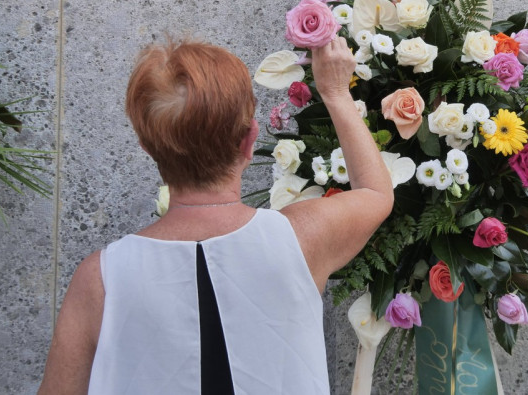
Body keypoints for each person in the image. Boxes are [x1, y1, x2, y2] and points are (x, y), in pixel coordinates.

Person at [38, 36, 394, 394]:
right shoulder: (301, 239)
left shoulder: (99, 279)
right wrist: (335, 92)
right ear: (249, 139)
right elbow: (376, 192)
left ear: (147, 147)